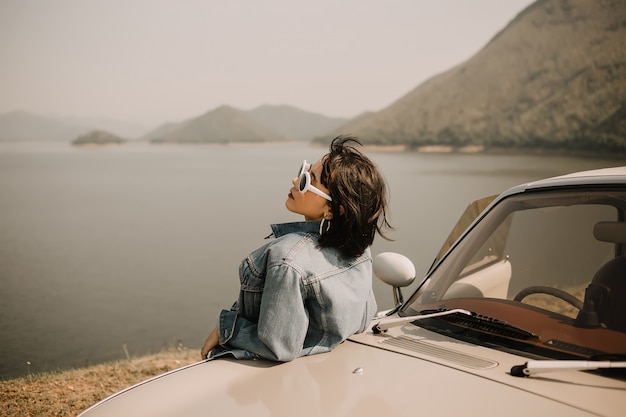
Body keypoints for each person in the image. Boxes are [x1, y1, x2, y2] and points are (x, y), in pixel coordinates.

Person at [201, 135, 392, 362]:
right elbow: (363, 316)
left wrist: (226, 329)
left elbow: (278, 346)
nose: (294, 180)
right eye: (303, 172)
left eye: (306, 181)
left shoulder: (286, 261)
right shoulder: (359, 248)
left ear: (332, 210)